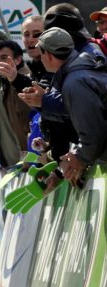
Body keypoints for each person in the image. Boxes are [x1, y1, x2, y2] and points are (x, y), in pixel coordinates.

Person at [37, 27, 107, 187]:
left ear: (48, 55)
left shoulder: (74, 82)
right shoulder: (83, 69)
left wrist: (79, 157)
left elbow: (93, 133)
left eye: (41, 54)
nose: (40, 59)